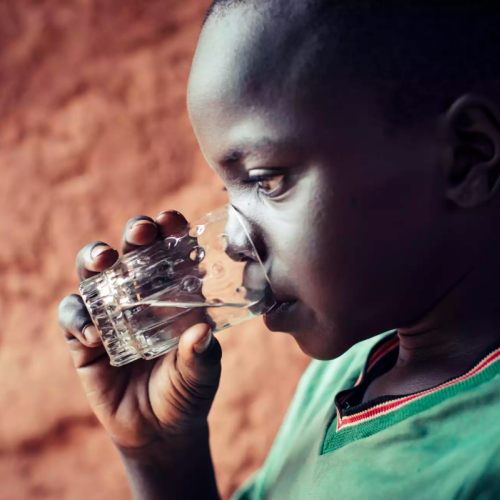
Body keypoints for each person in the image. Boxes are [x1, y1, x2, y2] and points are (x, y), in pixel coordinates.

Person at [58, 1, 500, 498]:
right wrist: (161, 455)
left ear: (466, 157)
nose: (230, 240)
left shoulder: (484, 461)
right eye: (231, 192)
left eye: (266, 182)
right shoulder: (342, 374)